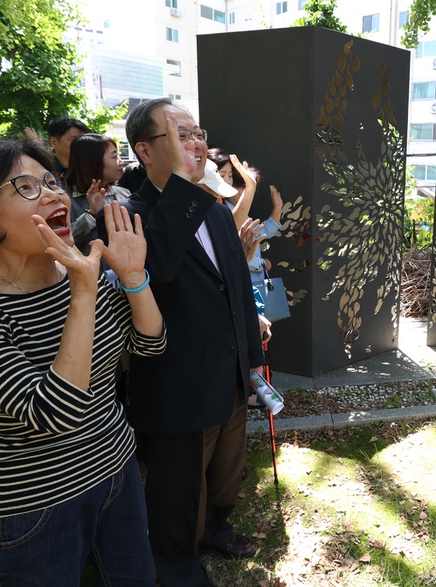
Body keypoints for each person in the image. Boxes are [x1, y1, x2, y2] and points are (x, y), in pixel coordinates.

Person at [0, 29, 166, 585]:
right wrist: (83, 292)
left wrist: (132, 278)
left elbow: (151, 343)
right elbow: (56, 414)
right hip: (32, 513)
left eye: (50, 182)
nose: (55, 194)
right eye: (24, 189)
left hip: (117, 474)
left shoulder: (84, 274)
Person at [115, 97, 265, 587]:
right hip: (177, 379)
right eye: (180, 134)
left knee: (226, 470)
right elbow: (156, 267)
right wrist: (183, 186)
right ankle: (176, 565)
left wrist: (254, 361)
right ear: (145, 151)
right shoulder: (129, 216)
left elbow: (238, 288)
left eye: (197, 132)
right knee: (178, 485)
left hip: (231, 371)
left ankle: (215, 528)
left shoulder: (216, 209)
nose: (195, 142)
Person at [208, 148, 284, 287]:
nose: (226, 181)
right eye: (245, 187)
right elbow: (229, 253)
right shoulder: (222, 212)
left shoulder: (237, 213)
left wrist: (277, 209)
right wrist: (261, 264)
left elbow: (261, 233)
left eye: (229, 176)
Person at [66, 133, 132, 255]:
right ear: (93, 162)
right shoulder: (64, 199)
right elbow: (62, 242)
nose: (121, 161)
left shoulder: (124, 194)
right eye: (114, 156)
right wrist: (91, 215)